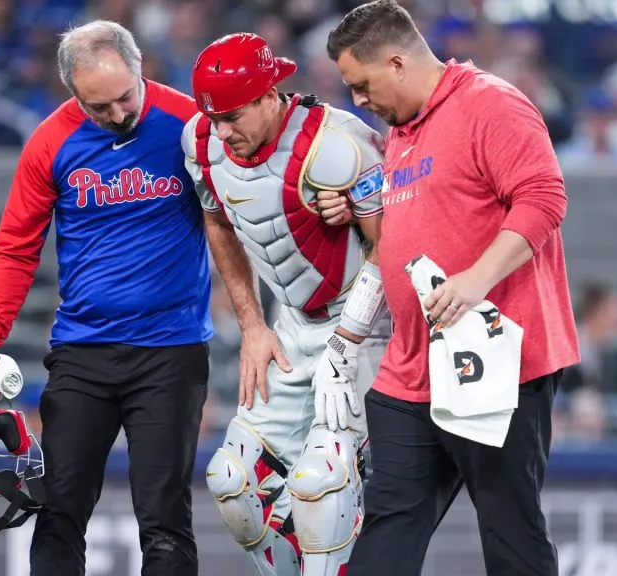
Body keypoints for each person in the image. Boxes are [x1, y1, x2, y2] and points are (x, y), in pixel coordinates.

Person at [321, 2, 581, 575]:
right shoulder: (402, 132)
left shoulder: (489, 103)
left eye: (362, 85)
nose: (359, 100)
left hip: (494, 357)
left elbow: (544, 199)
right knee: (390, 516)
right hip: (413, 366)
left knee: (509, 528)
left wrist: (474, 281)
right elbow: (417, 225)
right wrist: (359, 211)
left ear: (396, 63)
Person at [0, 20, 213, 576]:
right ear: (73, 93)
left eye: (126, 96)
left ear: (141, 67)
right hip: (82, 352)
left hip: (171, 352)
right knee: (58, 510)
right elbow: (14, 250)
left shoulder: (192, 124)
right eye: (101, 107)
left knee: (166, 521)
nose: (119, 114)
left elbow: (247, 210)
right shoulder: (51, 142)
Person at [182, 33, 389, 576]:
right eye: (213, 116)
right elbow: (217, 220)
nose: (223, 130)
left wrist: (349, 342)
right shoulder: (200, 141)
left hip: (366, 329)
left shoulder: (338, 143)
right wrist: (252, 324)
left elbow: (391, 245)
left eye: (232, 115)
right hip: (290, 325)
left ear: (269, 94)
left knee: (321, 481)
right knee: (232, 481)